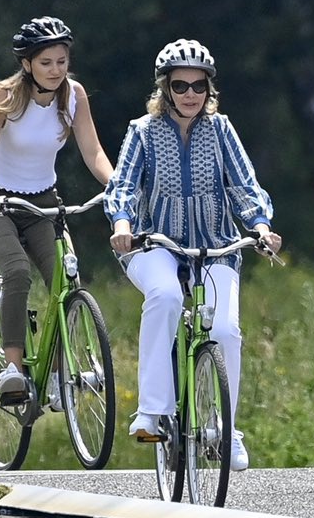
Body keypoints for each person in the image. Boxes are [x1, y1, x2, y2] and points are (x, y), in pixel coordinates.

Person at [106, 38, 281, 469]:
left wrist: (260, 226)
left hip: (216, 247)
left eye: (198, 86)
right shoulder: (142, 132)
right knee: (164, 296)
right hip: (154, 244)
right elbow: (123, 186)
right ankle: (152, 411)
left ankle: (227, 431)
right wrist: (123, 224)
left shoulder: (221, 130)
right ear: (164, 88)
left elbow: (244, 184)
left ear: (209, 90)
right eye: (180, 85)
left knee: (225, 331)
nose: (190, 95)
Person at [0, 16, 114, 406]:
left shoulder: (74, 96)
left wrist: (117, 187)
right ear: (27, 64)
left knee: (67, 278)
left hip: (43, 204)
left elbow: (93, 151)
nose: (55, 70)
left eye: (62, 61)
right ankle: (13, 369)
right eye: (46, 62)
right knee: (16, 270)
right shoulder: (5, 97)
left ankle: (57, 375)